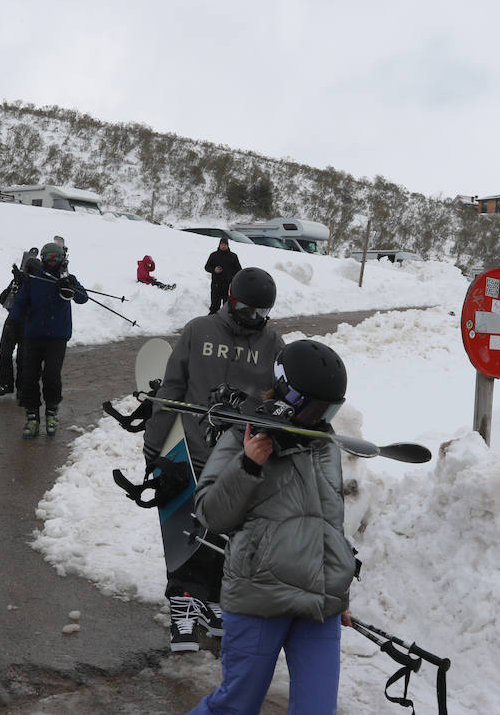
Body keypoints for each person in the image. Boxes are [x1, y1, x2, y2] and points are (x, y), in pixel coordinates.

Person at [187, 339, 358, 714]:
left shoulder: (324, 445)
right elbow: (211, 515)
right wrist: (248, 465)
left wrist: (336, 588)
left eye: (328, 410)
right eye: (313, 408)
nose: (319, 419)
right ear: (288, 395)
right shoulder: (243, 437)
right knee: (236, 706)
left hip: (318, 607)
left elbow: (329, 522)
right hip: (259, 596)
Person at [143, 267, 283, 653]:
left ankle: (218, 598)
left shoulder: (273, 343)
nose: (251, 318)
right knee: (187, 532)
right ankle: (185, 602)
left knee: (227, 533)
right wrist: (155, 445)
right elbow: (172, 388)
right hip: (192, 450)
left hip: (241, 456)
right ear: (229, 300)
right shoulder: (199, 330)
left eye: (260, 313)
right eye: (244, 309)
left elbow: (280, 400)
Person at [7, 241, 87, 438]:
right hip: (33, 335)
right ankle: (32, 417)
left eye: (56, 257)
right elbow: (20, 302)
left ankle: (52, 412)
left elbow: (83, 298)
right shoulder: (33, 277)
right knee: (28, 377)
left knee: (51, 376)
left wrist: (70, 287)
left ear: (62, 259)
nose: (53, 261)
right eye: (49, 257)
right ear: (42, 258)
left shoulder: (68, 278)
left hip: (57, 337)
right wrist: (12, 320)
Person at [0, 247, 40, 398]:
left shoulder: (38, 284)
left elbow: (36, 304)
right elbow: (3, 299)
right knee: (5, 353)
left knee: (23, 357)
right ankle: (5, 384)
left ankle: (22, 387)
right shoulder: (18, 280)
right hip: (12, 321)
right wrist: (15, 283)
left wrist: (23, 284)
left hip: (29, 323)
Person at [204, 237, 242, 314]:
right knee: (215, 305)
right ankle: (213, 320)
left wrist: (230, 274)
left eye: (225, 244)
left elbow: (239, 270)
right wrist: (214, 270)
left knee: (227, 306)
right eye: (222, 244)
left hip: (228, 285)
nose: (223, 246)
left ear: (227, 245)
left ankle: (227, 321)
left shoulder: (233, 256)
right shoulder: (214, 255)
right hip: (216, 284)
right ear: (219, 245)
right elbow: (207, 267)